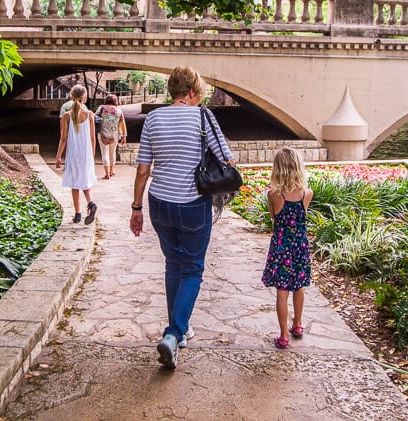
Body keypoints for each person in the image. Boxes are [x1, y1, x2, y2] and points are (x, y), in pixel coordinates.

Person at [129, 65, 236, 369]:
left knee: (173, 263)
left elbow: (143, 169)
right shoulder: (203, 116)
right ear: (192, 91)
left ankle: (181, 328)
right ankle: (174, 332)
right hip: (192, 204)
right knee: (192, 268)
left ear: (172, 90)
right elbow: (227, 158)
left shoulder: (153, 118)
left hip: (159, 203)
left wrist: (136, 208)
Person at [261, 147, 313, 349]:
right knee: (299, 287)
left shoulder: (274, 195)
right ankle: (298, 325)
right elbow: (301, 217)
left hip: (281, 247)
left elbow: (274, 217)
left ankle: (283, 335)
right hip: (300, 246)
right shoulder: (306, 194)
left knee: (282, 290)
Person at [55, 84, 98, 225]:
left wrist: (58, 156)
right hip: (86, 153)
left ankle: (78, 213)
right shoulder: (90, 114)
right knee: (85, 180)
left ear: (71, 96)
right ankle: (91, 203)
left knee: (75, 183)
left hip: (73, 153)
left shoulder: (67, 116)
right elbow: (92, 138)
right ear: (84, 97)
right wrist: (91, 154)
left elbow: (63, 138)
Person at [94, 94, 127, 179]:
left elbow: (94, 117)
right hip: (114, 135)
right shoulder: (119, 111)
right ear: (115, 101)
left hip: (102, 134)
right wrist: (124, 136)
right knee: (112, 153)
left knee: (104, 153)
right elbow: (122, 124)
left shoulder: (101, 108)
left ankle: (107, 173)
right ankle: (112, 171)